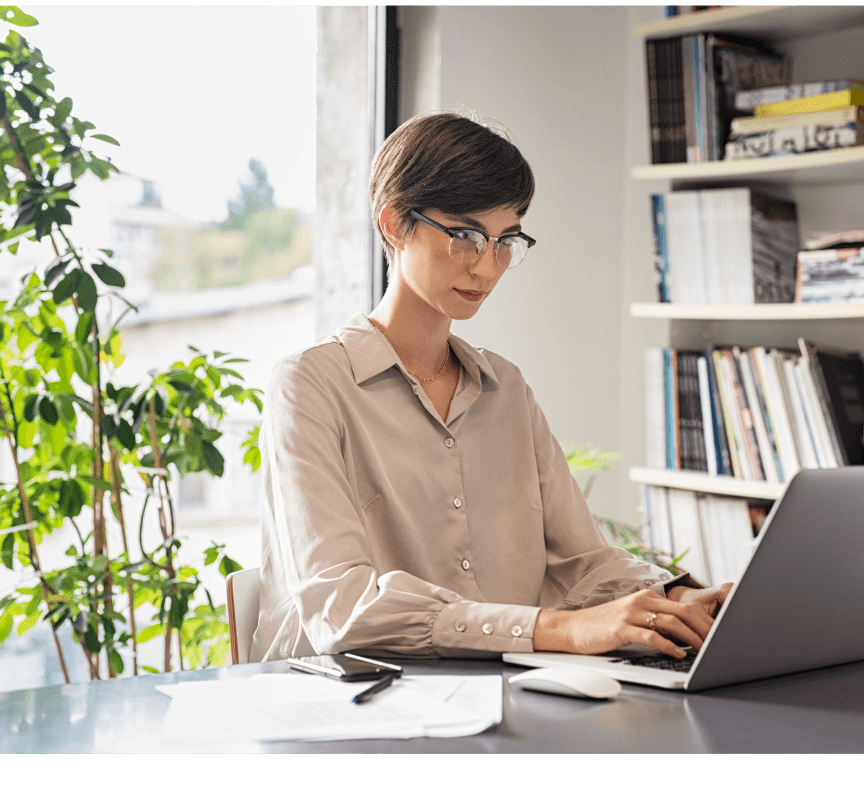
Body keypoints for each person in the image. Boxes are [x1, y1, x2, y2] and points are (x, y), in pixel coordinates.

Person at [250, 110, 733, 664]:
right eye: (464, 236)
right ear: (392, 224)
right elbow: (344, 609)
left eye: (506, 240)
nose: (486, 266)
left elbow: (583, 562)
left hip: (500, 697)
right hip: (352, 707)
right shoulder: (308, 385)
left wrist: (679, 599)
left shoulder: (506, 390)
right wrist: (563, 629)